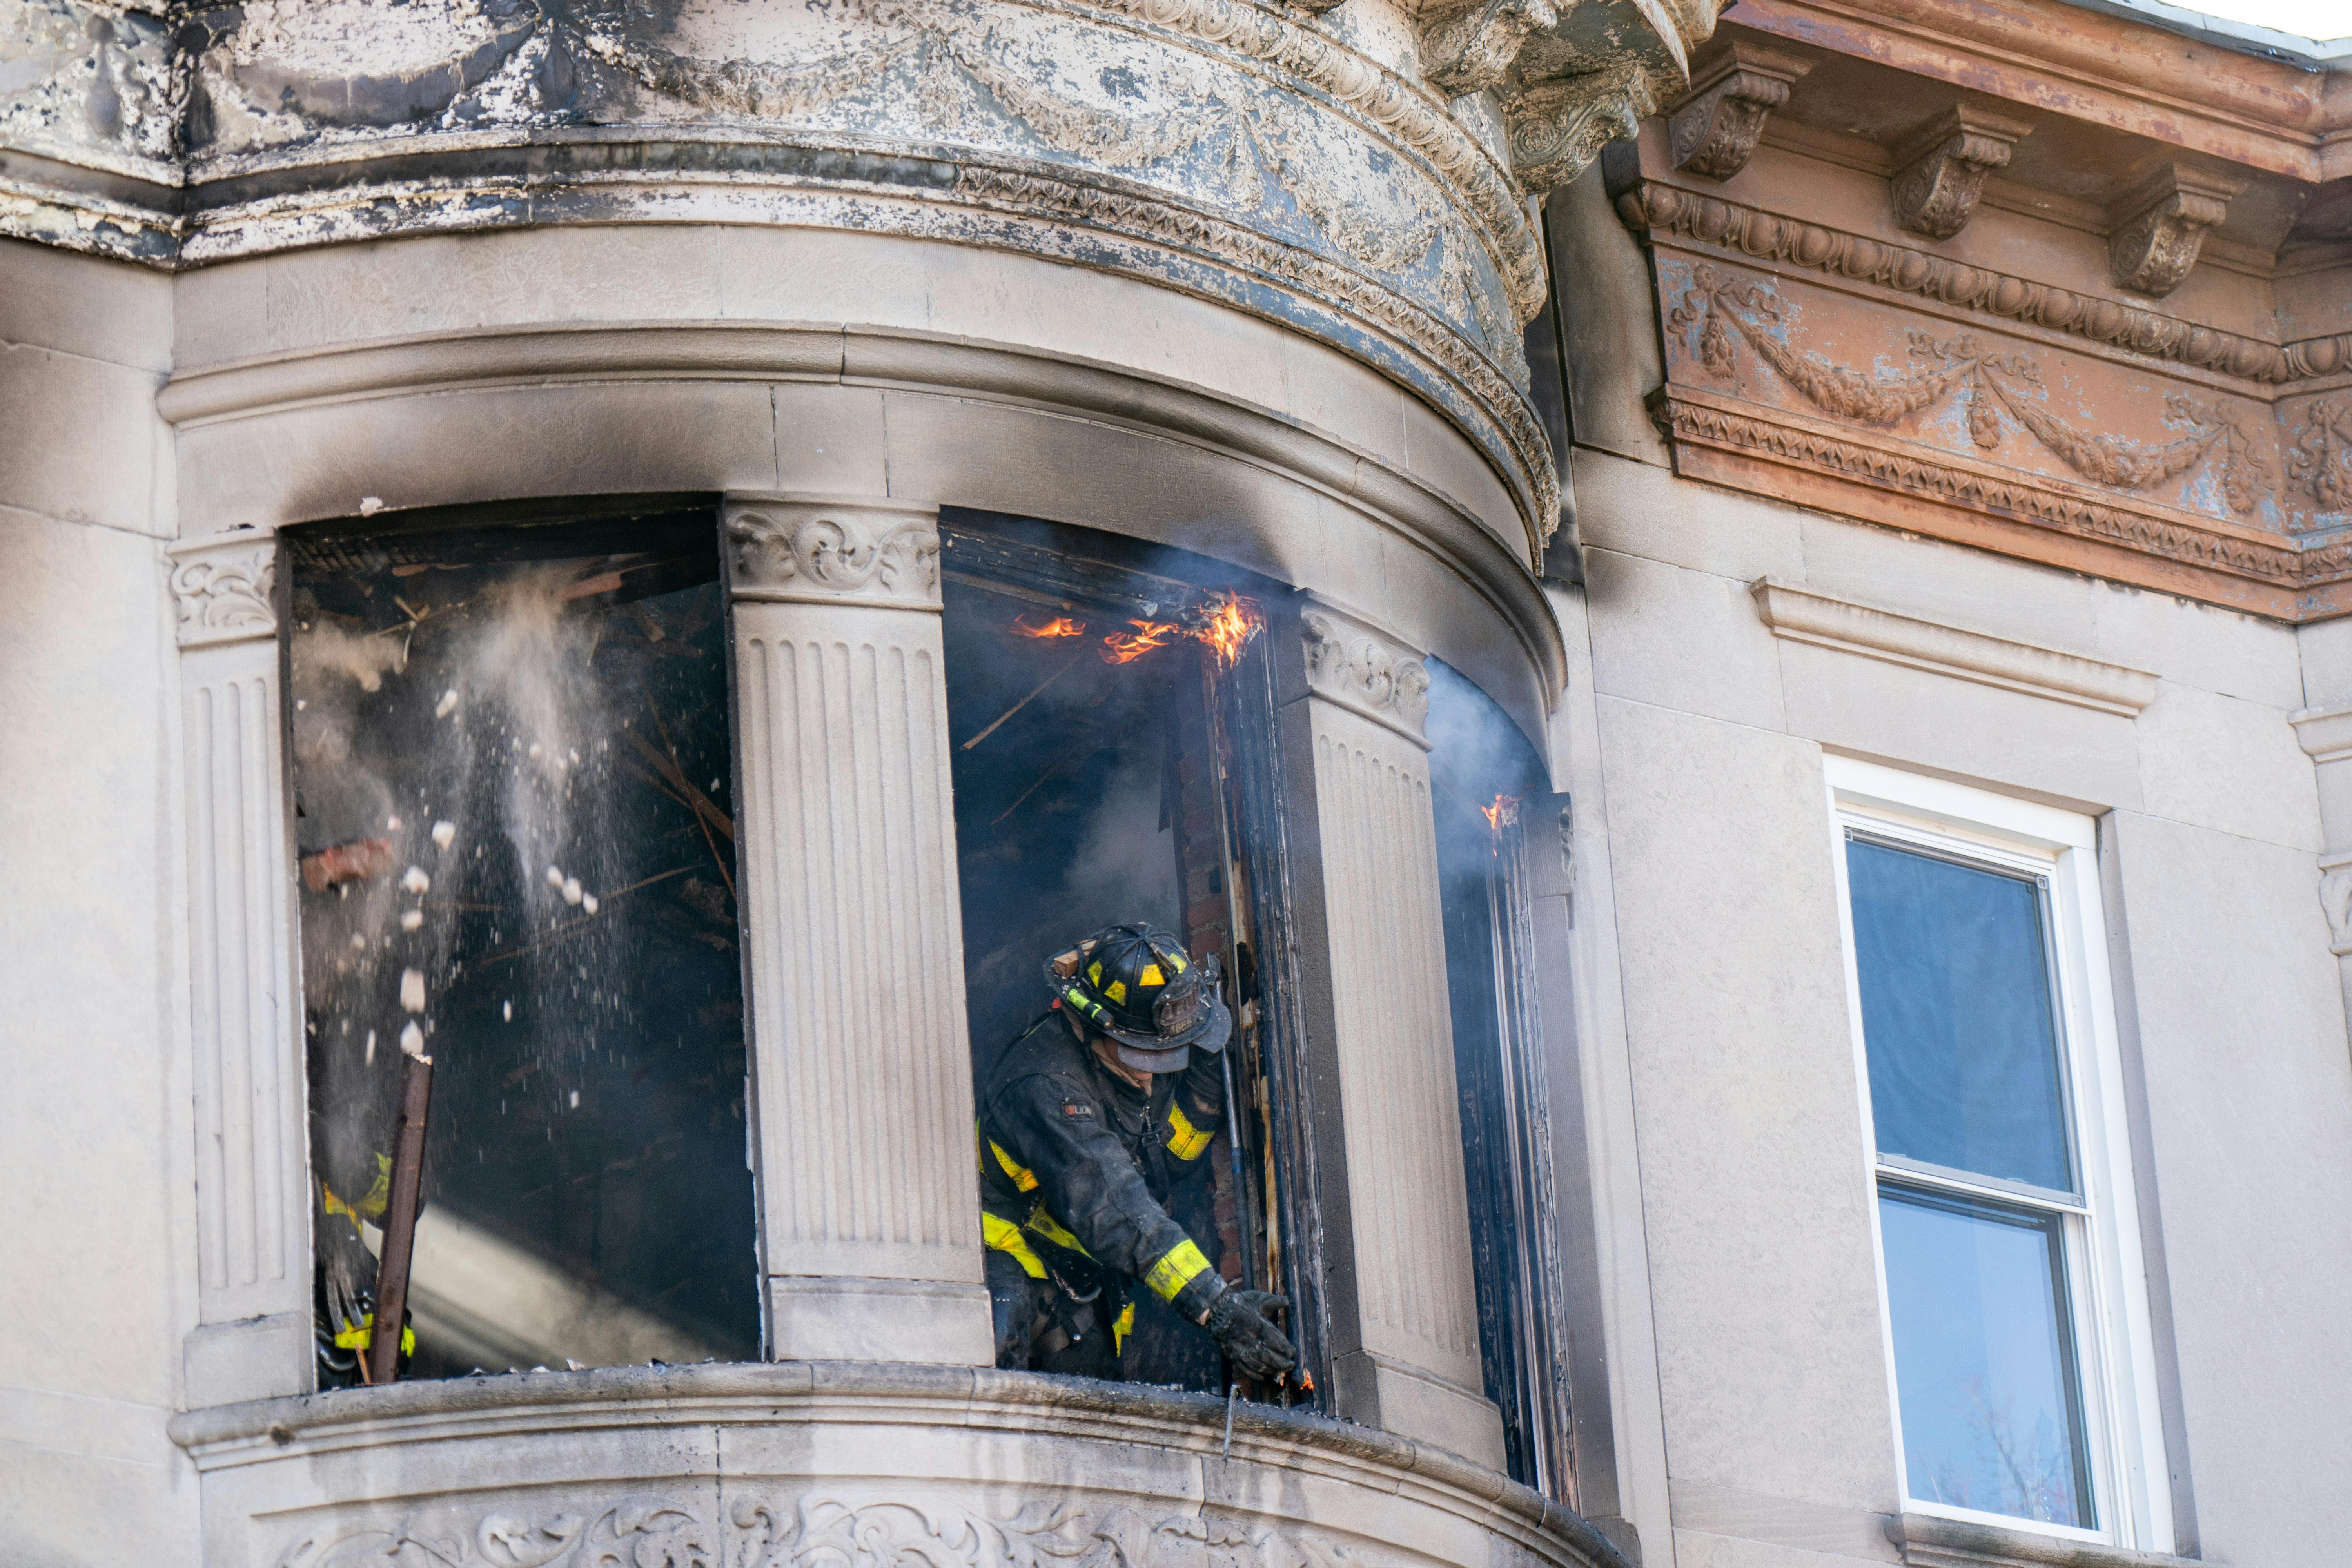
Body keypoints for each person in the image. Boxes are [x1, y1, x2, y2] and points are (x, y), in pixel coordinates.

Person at [978, 923, 1296, 1383]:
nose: (1152, 1074)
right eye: (1142, 1056)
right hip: (1004, 1249)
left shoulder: (1143, 1050)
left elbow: (1170, 1159)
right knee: (995, 1350)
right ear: (1092, 1025)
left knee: (1094, 1411)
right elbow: (1112, 1205)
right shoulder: (1044, 1083)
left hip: (1081, 1271)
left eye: (1165, 1056)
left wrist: (1205, 1071)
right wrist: (1216, 1305)